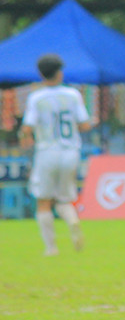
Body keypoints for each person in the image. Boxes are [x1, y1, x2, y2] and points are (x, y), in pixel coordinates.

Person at [19, 54, 94, 256]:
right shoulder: (73, 95)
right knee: (64, 199)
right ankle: (73, 220)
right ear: (59, 73)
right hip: (70, 152)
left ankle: (51, 247)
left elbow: (27, 127)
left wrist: (25, 138)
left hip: (47, 151)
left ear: (41, 74)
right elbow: (85, 125)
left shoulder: (36, 97)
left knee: (43, 200)